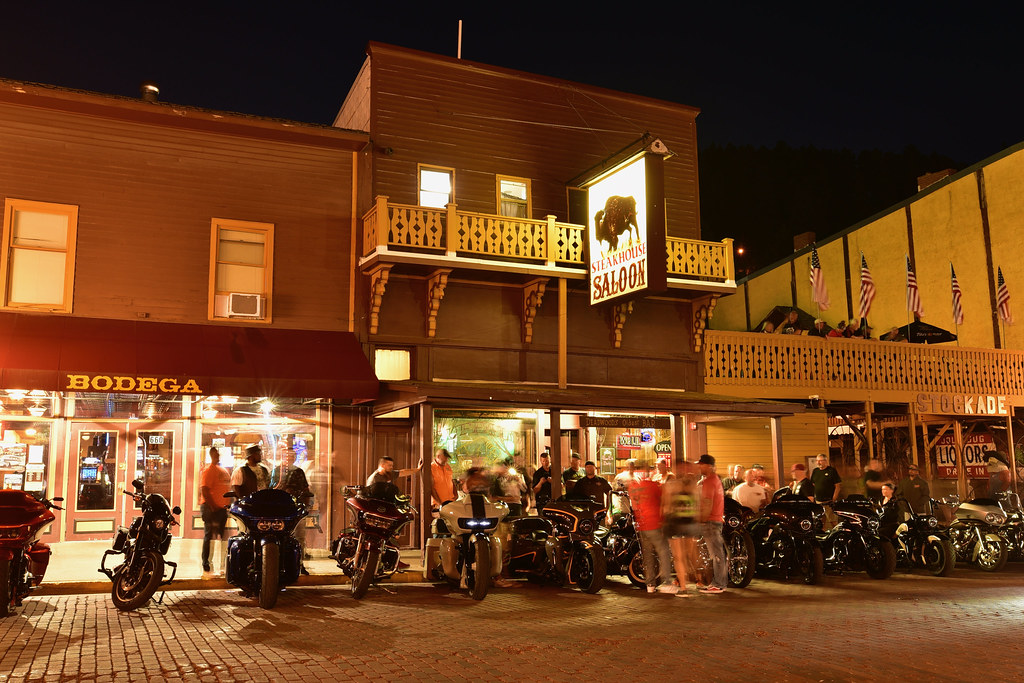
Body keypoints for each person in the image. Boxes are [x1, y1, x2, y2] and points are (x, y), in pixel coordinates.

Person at [630, 461, 676, 594]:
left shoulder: (633, 487)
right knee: (663, 552)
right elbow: (663, 501)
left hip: (642, 525)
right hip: (655, 524)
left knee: (647, 556)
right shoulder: (653, 485)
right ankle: (667, 582)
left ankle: (650, 584)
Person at [662, 460, 699, 596]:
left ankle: (683, 587)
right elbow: (697, 504)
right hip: (690, 522)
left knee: (679, 557)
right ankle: (695, 579)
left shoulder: (671, 485)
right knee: (689, 555)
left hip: (675, 523)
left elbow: (666, 506)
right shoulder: (692, 485)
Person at [273, 448, 313, 574]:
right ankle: (280, 566)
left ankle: (299, 565)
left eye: (292, 456)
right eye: (287, 456)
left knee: (299, 538)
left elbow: (306, 490)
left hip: (296, 509)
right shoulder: (276, 472)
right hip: (279, 510)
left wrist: (305, 507)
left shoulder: (298, 472)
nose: (290, 458)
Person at [696, 454, 727, 594]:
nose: (699, 467)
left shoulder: (709, 481)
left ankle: (719, 584)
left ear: (708, 466)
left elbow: (707, 504)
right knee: (717, 553)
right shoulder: (716, 480)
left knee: (716, 554)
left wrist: (700, 520)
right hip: (716, 520)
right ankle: (719, 583)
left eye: (701, 464)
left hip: (710, 521)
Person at [199, 446, 231, 574]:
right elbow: (205, 490)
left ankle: (222, 563)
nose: (217, 456)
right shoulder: (209, 471)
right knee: (209, 536)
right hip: (210, 508)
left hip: (221, 509)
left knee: (222, 536)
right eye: (215, 454)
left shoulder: (223, 471)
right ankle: (206, 562)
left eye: (218, 454)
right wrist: (213, 507)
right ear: (211, 455)